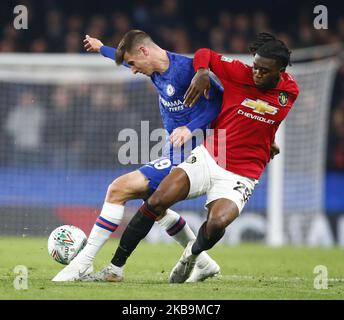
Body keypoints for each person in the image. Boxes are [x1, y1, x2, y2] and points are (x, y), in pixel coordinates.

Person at [93, 32, 298, 284]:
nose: (256, 73)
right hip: (209, 156)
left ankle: (192, 255)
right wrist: (202, 72)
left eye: (264, 71)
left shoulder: (289, 92)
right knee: (156, 201)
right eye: (255, 66)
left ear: (280, 70)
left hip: (241, 173)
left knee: (216, 224)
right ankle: (115, 268)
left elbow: (265, 119)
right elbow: (205, 53)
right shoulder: (239, 73)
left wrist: (269, 142)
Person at [52, 30, 224, 282]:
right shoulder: (154, 69)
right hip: (175, 150)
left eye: (132, 63)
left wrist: (191, 128)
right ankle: (205, 263)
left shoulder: (187, 70)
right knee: (156, 205)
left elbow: (218, 103)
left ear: (144, 51)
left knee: (118, 188)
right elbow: (123, 56)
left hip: (196, 154)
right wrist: (102, 48)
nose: (132, 70)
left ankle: (82, 264)